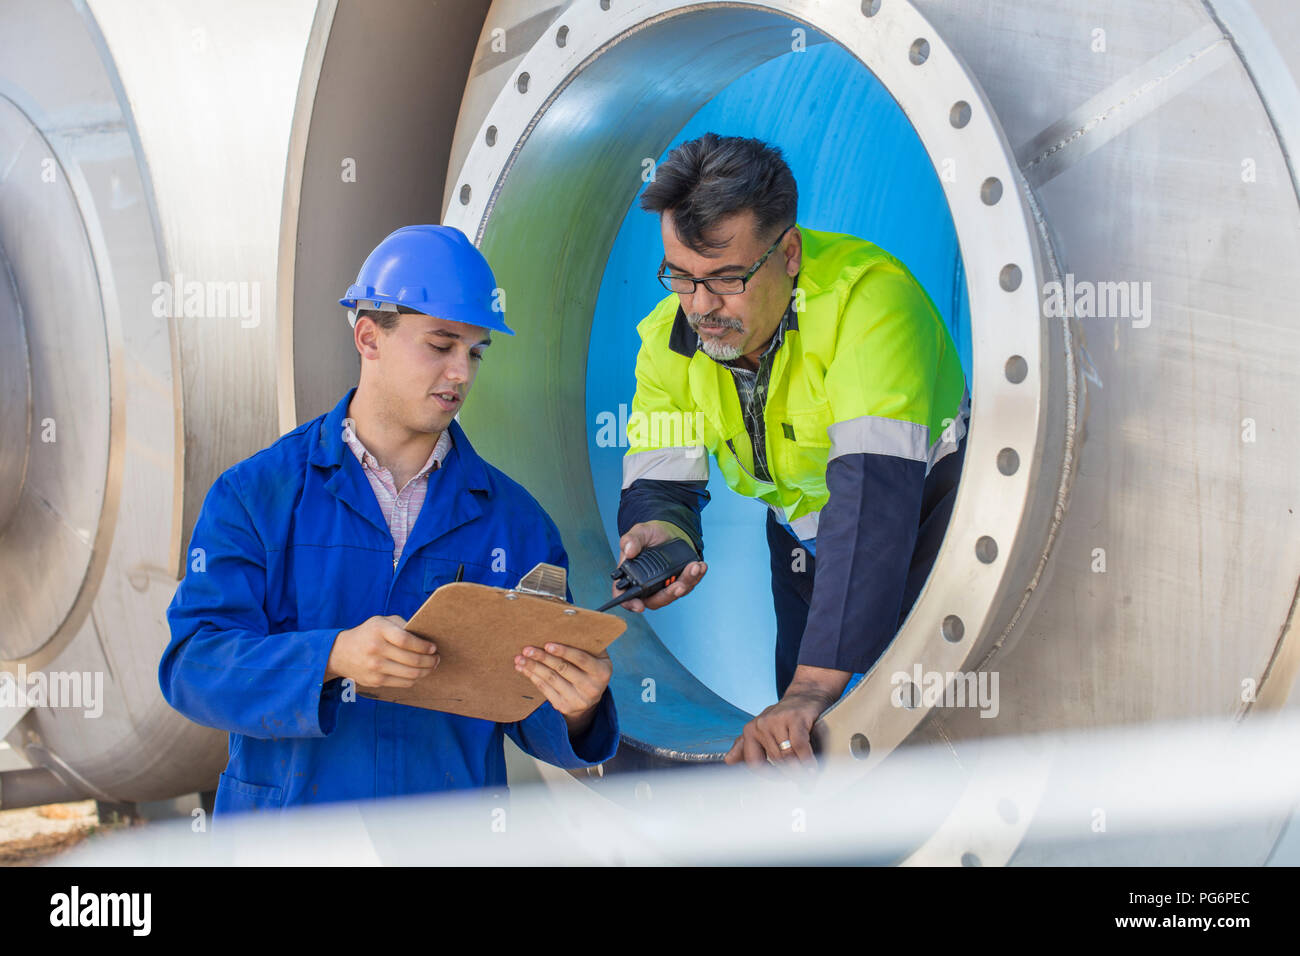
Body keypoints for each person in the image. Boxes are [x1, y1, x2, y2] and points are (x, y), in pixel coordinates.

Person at [160, 224, 619, 815]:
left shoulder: (518, 524)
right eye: (441, 344)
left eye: (475, 351)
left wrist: (577, 706)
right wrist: (332, 657)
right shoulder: (256, 495)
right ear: (369, 337)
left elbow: (533, 715)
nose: (462, 373)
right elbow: (193, 666)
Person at [615, 134, 968, 773]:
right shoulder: (668, 337)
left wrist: (811, 687)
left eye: (726, 279)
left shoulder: (869, 302)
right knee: (802, 748)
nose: (700, 307)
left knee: (936, 738)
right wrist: (661, 535)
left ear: (791, 253)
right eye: (681, 277)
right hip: (803, 542)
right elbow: (663, 476)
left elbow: (870, 503)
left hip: (927, 530)